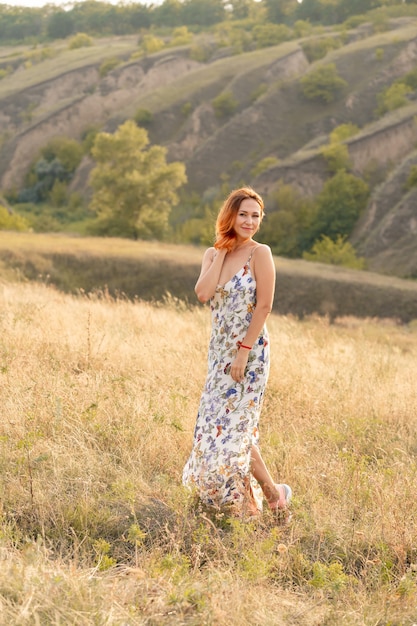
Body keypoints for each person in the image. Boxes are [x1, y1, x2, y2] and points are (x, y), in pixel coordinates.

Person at [182, 186, 292, 520]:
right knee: (216, 430)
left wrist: (244, 351)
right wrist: (220, 252)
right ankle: (269, 499)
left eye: (255, 216)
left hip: (251, 353)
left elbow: (265, 305)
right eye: (243, 214)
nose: (249, 221)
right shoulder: (212, 254)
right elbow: (203, 293)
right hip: (219, 355)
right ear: (230, 215)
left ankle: (258, 505)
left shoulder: (261, 253)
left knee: (237, 430)